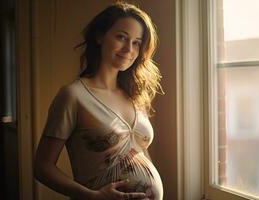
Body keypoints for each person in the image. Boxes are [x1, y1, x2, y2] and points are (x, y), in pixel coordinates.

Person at [34, 2, 164, 200]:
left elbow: (140, 153)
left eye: (137, 42)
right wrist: (92, 196)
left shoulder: (135, 94)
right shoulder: (73, 96)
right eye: (121, 37)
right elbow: (42, 167)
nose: (129, 48)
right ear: (100, 36)